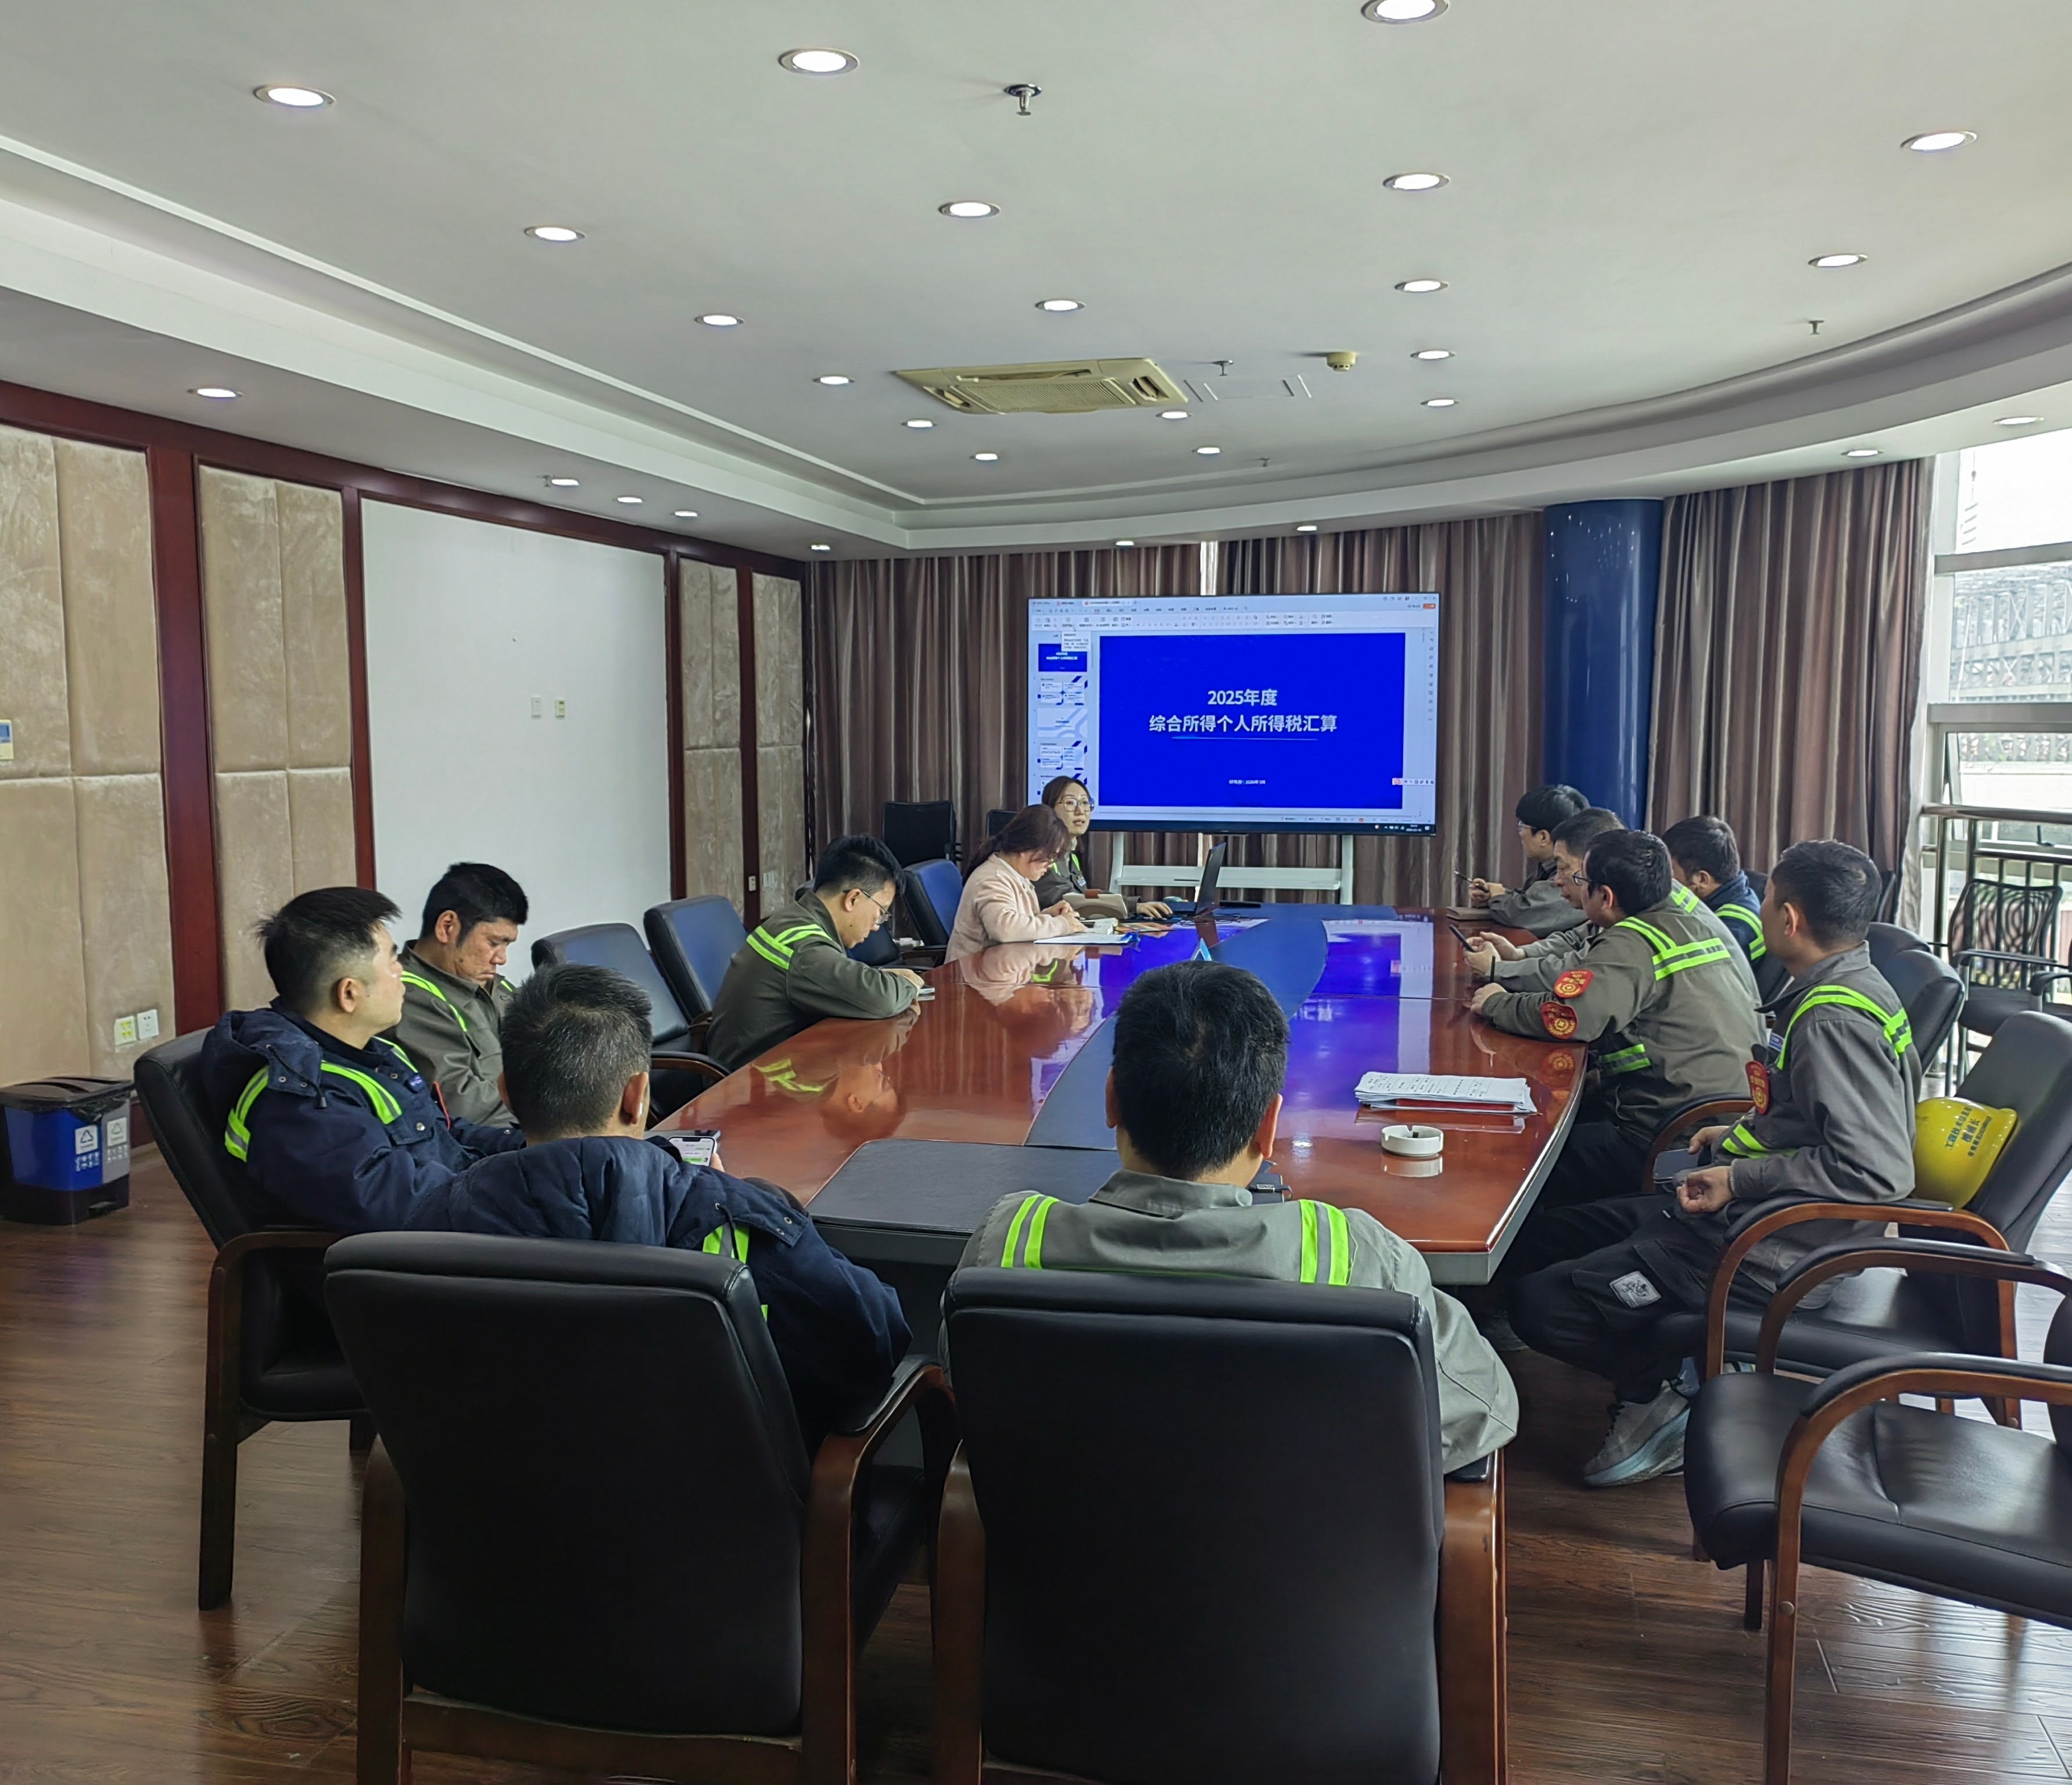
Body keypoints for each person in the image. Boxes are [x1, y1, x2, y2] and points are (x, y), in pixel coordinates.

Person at [958, 961, 1518, 1469]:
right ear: (1268, 1127)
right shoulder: (1357, 1259)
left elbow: (974, 1390)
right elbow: (1482, 1411)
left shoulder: (1008, 1245)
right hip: (1304, 1547)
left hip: (1059, 1549)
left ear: (1111, 1100)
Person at [1505, 840, 1919, 1488]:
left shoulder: (1833, 1018)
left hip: (1774, 1250)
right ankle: (1681, 1363)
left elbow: (1875, 1171)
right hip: (1744, 1215)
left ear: (1788, 919)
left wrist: (1738, 1176)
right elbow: (1821, 1119)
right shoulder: (1847, 987)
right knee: (1541, 1236)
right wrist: (1738, 1135)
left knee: (1541, 1304)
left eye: (1770, 899)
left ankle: (1664, 1392)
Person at [408, 963, 910, 1445]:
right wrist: (742, 1199)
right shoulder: (733, 1220)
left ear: (507, 1094)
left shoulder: (430, 1227)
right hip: (713, 1497)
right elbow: (873, 1342)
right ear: (638, 1096)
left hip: (493, 1498)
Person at [199, 887, 525, 1233]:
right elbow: (409, 1205)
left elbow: (444, 1133)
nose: (403, 976)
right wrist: (521, 1192)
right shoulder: (305, 1104)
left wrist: (532, 1148)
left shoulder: (370, 1053)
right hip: (417, 1257)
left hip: (453, 1221)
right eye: (393, 963)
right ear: (350, 993)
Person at [1471, 830, 1762, 1214]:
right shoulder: (1685, 916)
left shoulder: (1632, 942)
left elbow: (1569, 1017)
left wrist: (1497, 1003)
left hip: (1672, 1134)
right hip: (1723, 1114)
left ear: (1605, 897)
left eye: (1580, 880)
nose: (1569, 885)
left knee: (1516, 1164)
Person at [706, 834, 924, 1071]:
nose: (876, 926)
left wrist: (884, 976)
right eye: (881, 913)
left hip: (771, 1068)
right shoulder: (804, 947)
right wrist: (909, 985)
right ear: (853, 899)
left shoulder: (795, 920)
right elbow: (881, 998)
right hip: (753, 1084)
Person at [388, 862, 528, 1126]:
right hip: (494, 1142)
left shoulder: (495, 986)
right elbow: (463, 1103)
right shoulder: (407, 996)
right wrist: (555, 1111)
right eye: (493, 943)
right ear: (447, 927)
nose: (501, 959)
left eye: (507, 945)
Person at [1465, 807, 1625, 994]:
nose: (1557, 881)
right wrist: (1519, 954)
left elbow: (1572, 974)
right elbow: (1574, 940)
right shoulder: (1611, 912)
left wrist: (1496, 971)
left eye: (1563, 868)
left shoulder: (1629, 931)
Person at [946, 804, 1089, 962]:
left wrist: (1046, 915)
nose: (1050, 865)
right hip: (973, 975)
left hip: (999, 969)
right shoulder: (993, 879)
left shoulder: (1015, 874)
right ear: (1024, 849)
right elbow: (1005, 929)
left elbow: (1016, 923)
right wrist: (1061, 925)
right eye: (1048, 857)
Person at [1029, 777, 1171, 922]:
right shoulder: (1041, 856)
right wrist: (1131, 906)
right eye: (1070, 803)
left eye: (1085, 803)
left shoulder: (1071, 857)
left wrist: (1133, 904)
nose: (1080, 811)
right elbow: (1071, 900)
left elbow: (1087, 895)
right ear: (1049, 810)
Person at [1471, 784, 1589, 936]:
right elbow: (1530, 900)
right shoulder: (1547, 867)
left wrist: (1498, 897)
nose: (1520, 833)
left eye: (1522, 826)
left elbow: (1525, 915)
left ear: (1543, 837)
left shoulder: (1574, 875)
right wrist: (1493, 895)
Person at [1661, 816, 1769, 979]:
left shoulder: (1731, 930)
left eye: (1670, 870)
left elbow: (1695, 981)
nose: (1663, 876)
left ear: (1702, 880)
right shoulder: (1735, 892)